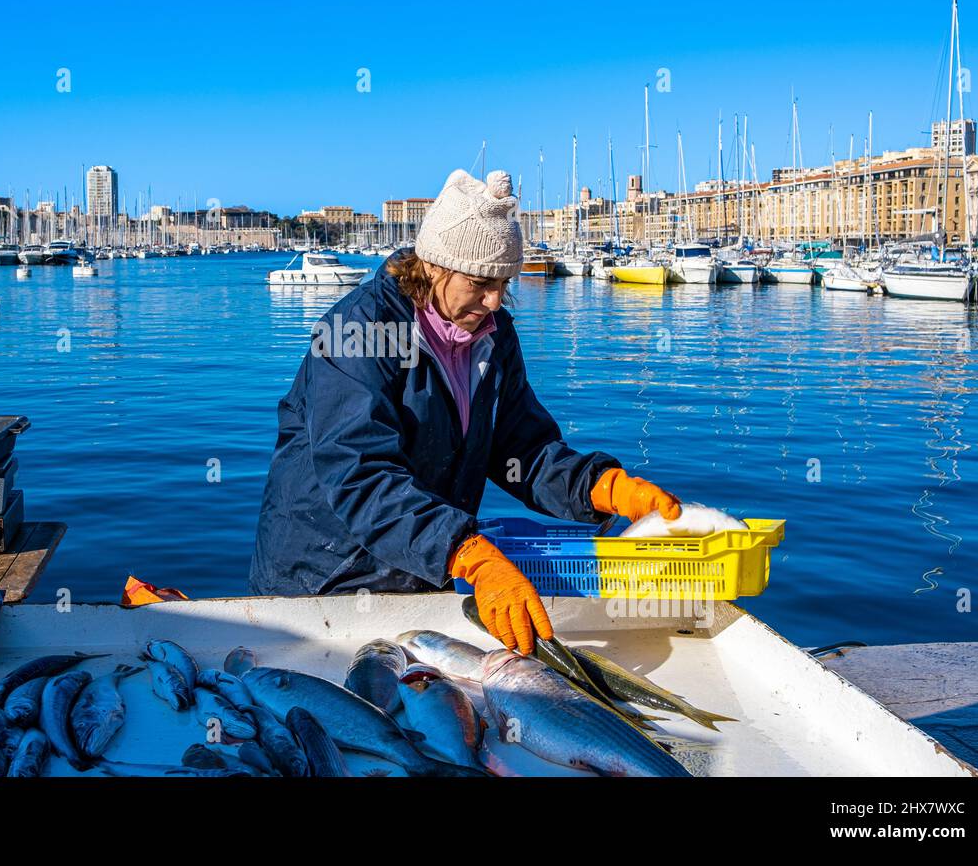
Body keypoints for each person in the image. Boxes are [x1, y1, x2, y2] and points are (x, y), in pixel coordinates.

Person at [250, 168, 682, 654]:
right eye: (480, 282)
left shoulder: (494, 335)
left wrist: (599, 486)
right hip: (323, 581)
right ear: (434, 266)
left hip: (421, 569)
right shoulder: (356, 332)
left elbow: (522, 448)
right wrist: (466, 551)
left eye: (504, 282)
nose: (494, 300)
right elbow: (359, 475)